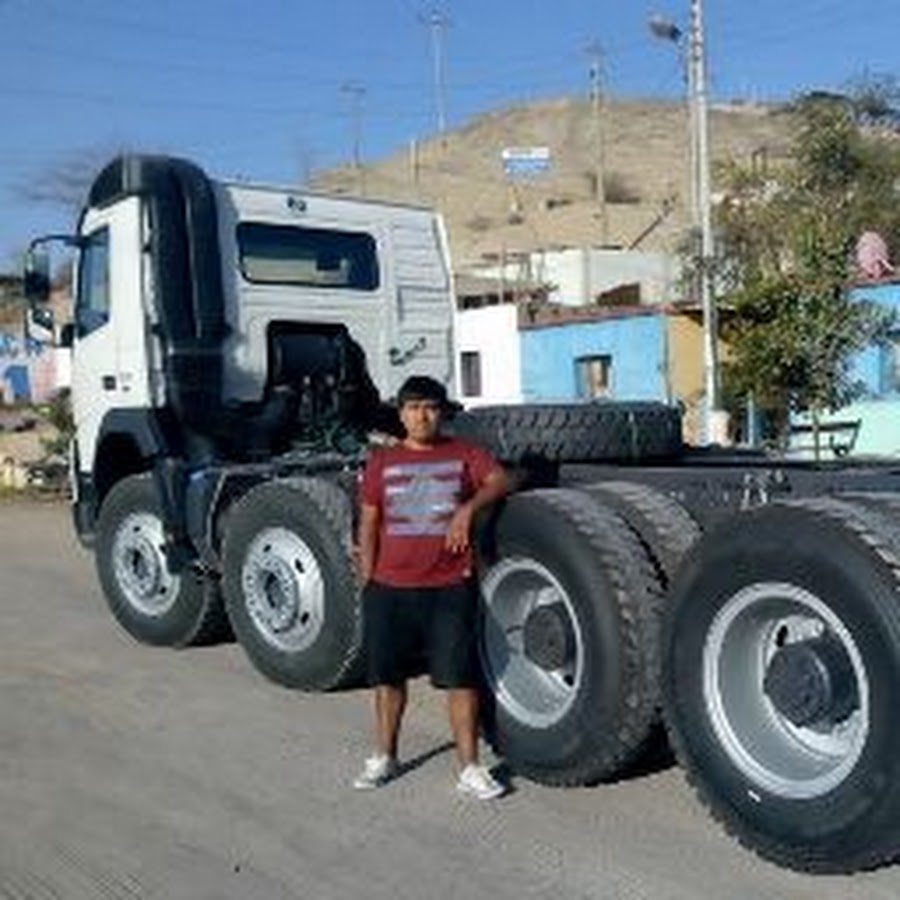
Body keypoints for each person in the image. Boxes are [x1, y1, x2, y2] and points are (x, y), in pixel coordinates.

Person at [354, 374, 510, 799]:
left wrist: (468, 509)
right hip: (389, 587)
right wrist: (368, 579)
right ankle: (384, 757)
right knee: (388, 677)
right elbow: (369, 522)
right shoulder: (382, 462)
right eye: (413, 408)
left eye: (430, 407)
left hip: (448, 587)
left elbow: (501, 480)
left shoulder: (464, 454)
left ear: (442, 413)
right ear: (401, 414)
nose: (421, 416)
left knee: (460, 678)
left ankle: (470, 768)